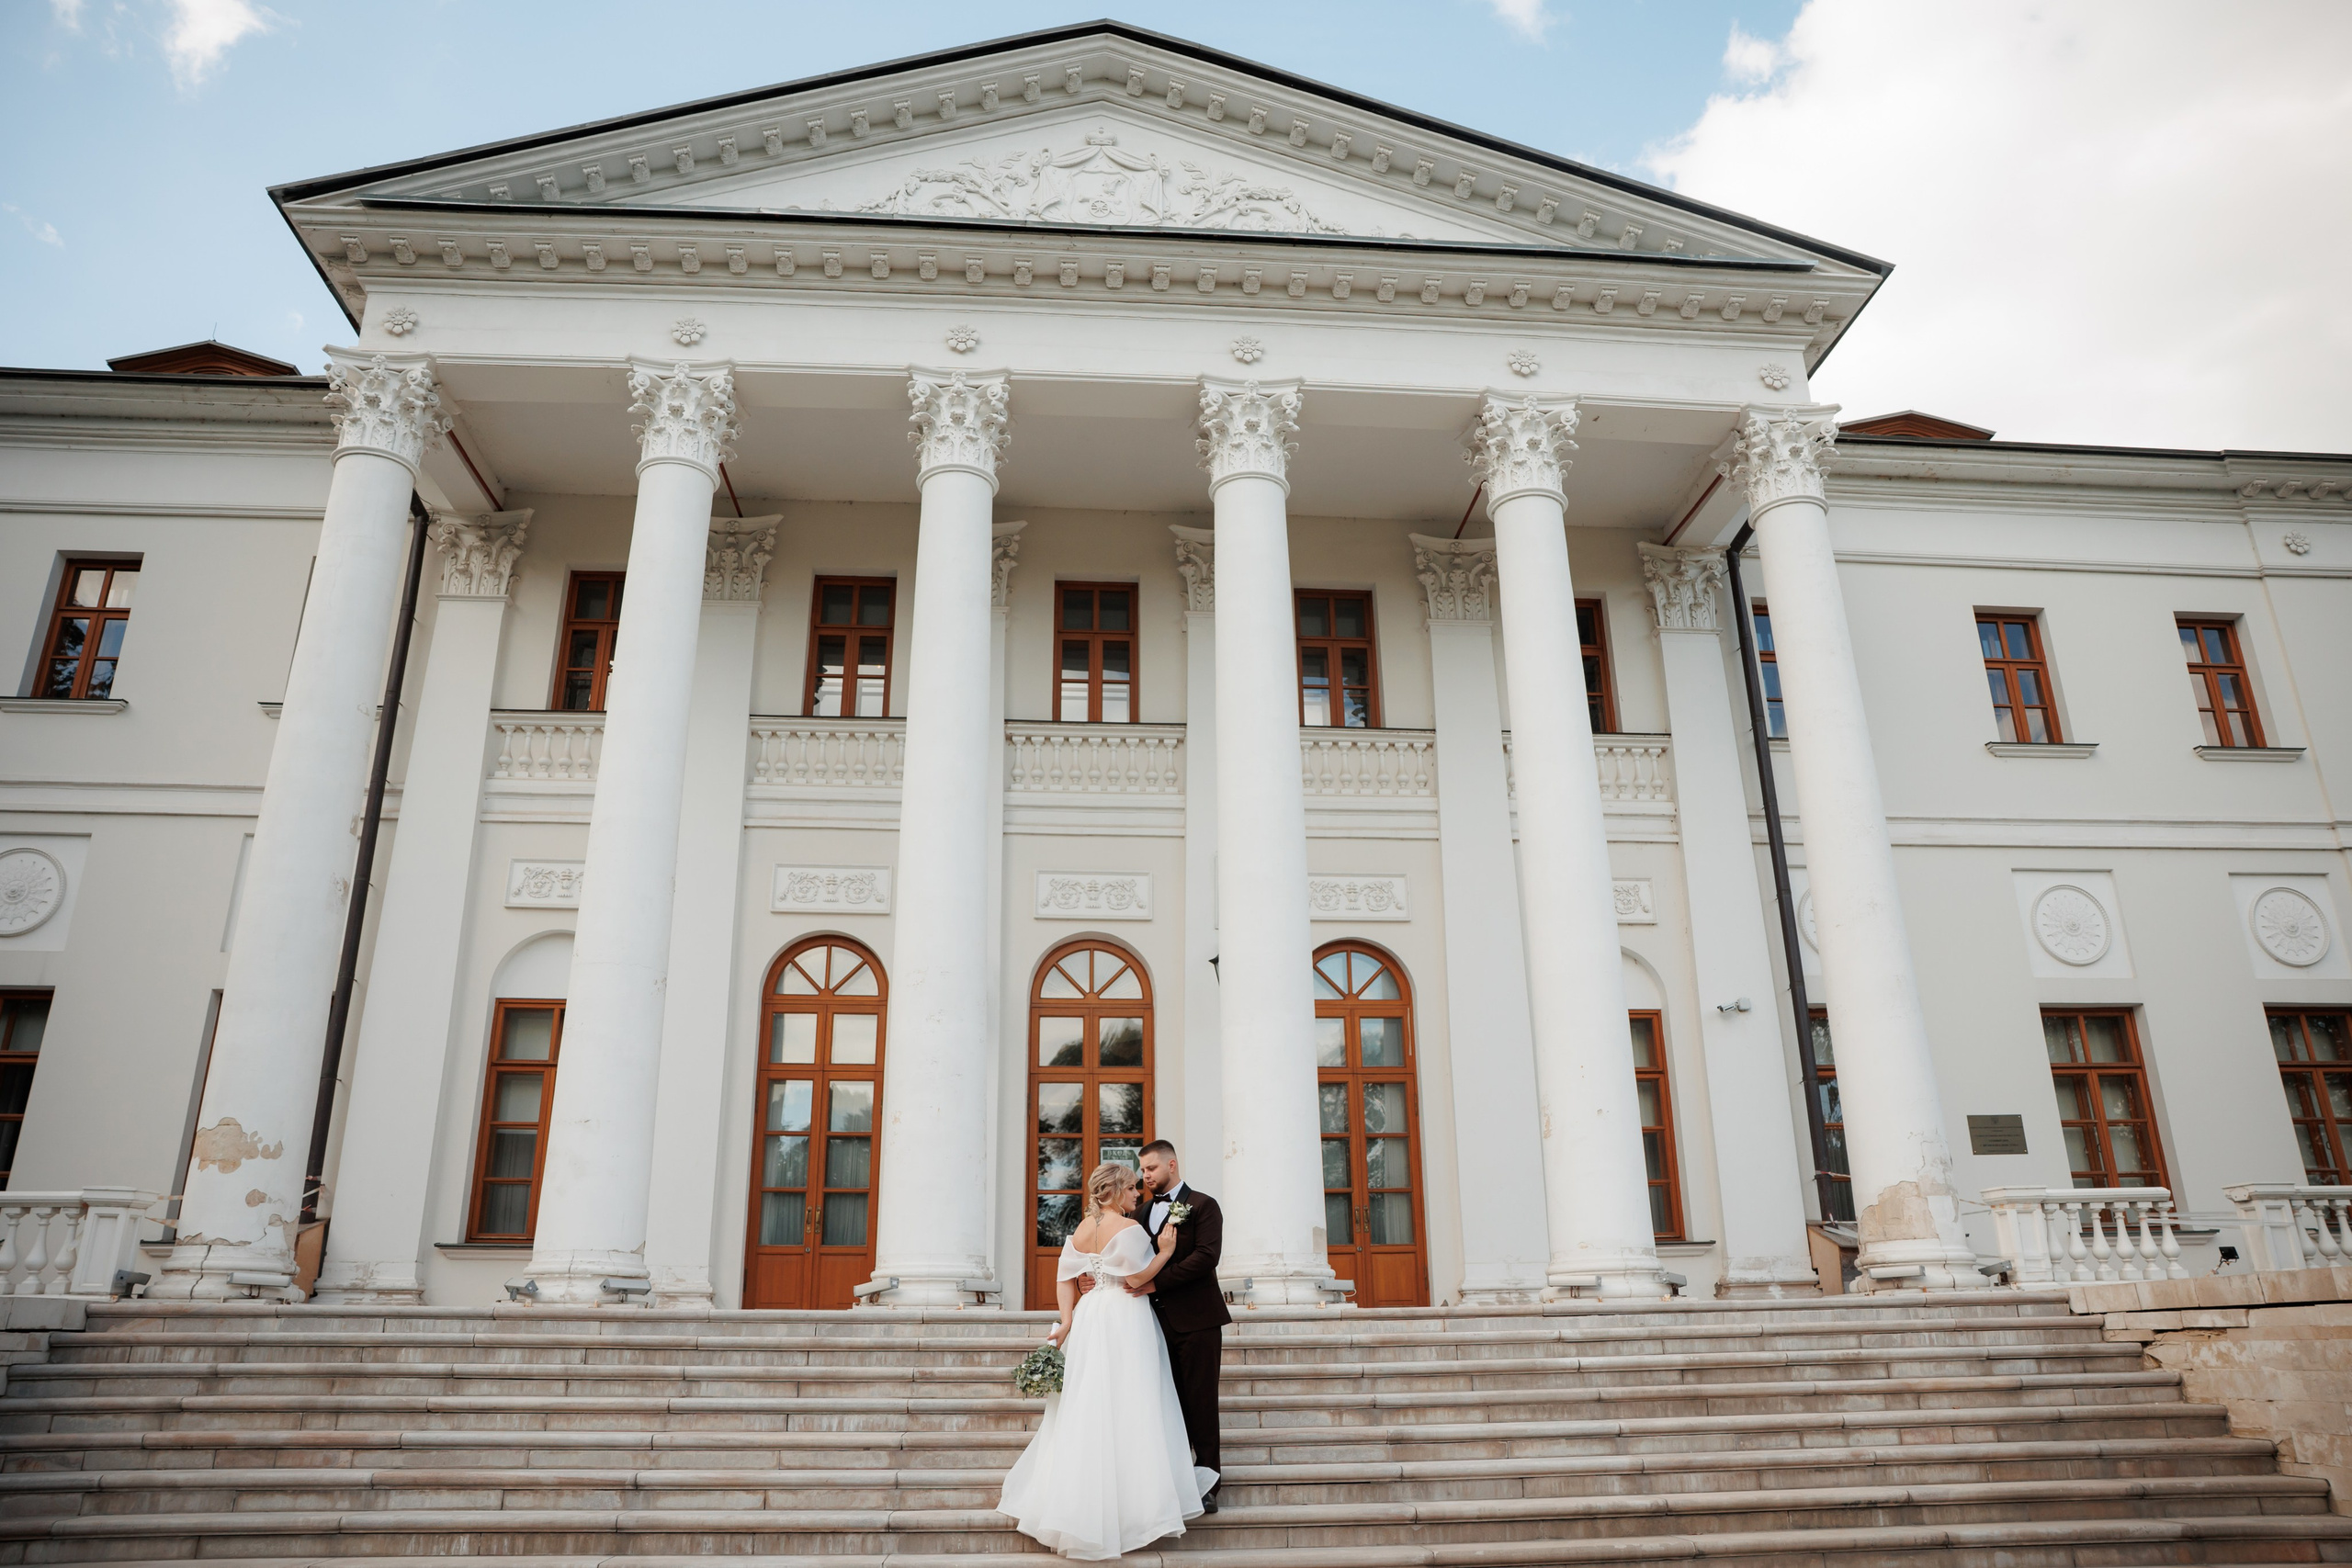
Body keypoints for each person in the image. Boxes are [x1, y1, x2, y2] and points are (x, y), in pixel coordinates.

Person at [997, 1161, 1213, 1560]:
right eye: (1132, 1188)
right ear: (1114, 1191)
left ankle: (1085, 1503)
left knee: (1089, 1402)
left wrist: (1065, 1321)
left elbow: (1065, 1276)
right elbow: (1134, 1280)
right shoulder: (1129, 1229)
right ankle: (1135, 1507)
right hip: (1124, 1316)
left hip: (1090, 1315)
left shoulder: (1082, 1230)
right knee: (1133, 1399)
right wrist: (1165, 1252)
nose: (1138, 1194)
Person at [1128, 1140, 1228, 1512]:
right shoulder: (1138, 1215)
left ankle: (1207, 1486)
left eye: (1151, 1169)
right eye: (1142, 1170)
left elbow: (1207, 1256)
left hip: (1198, 1321)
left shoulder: (1203, 1205)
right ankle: (1171, 1482)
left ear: (1172, 1164)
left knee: (1200, 1403)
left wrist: (1157, 1282)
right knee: (1164, 1405)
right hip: (1150, 1323)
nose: (1145, 1176)